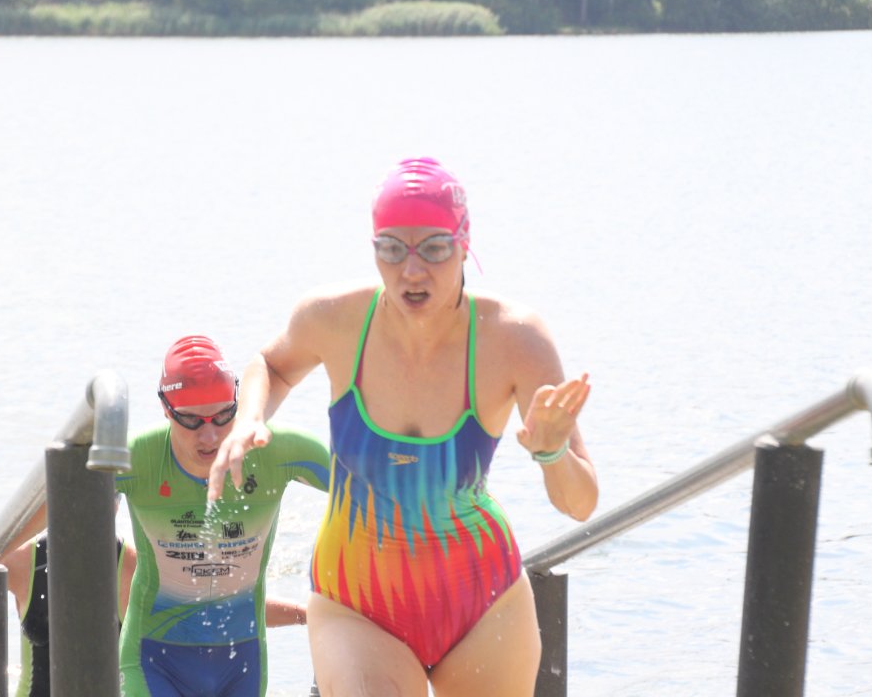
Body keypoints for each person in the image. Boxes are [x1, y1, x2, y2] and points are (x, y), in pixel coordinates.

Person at [208, 157, 600, 697]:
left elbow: (581, 503)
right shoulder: (334, 319)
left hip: (484, 605)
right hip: (355, 603)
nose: (411, 271)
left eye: (434, 248)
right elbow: (271, 365)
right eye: (391, 249)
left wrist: (553, 454)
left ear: (464, 243)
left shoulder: (515, 339)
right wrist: (248, 419)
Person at [115, 334, 330, 697]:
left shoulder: (275, 451)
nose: (209, 436)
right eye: (191, 420)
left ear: (239, 403)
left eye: (223, 416)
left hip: (242, 662)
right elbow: (54, 500)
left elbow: (374, 492)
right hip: (153, 659)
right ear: (166, 408)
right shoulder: (137, 457)